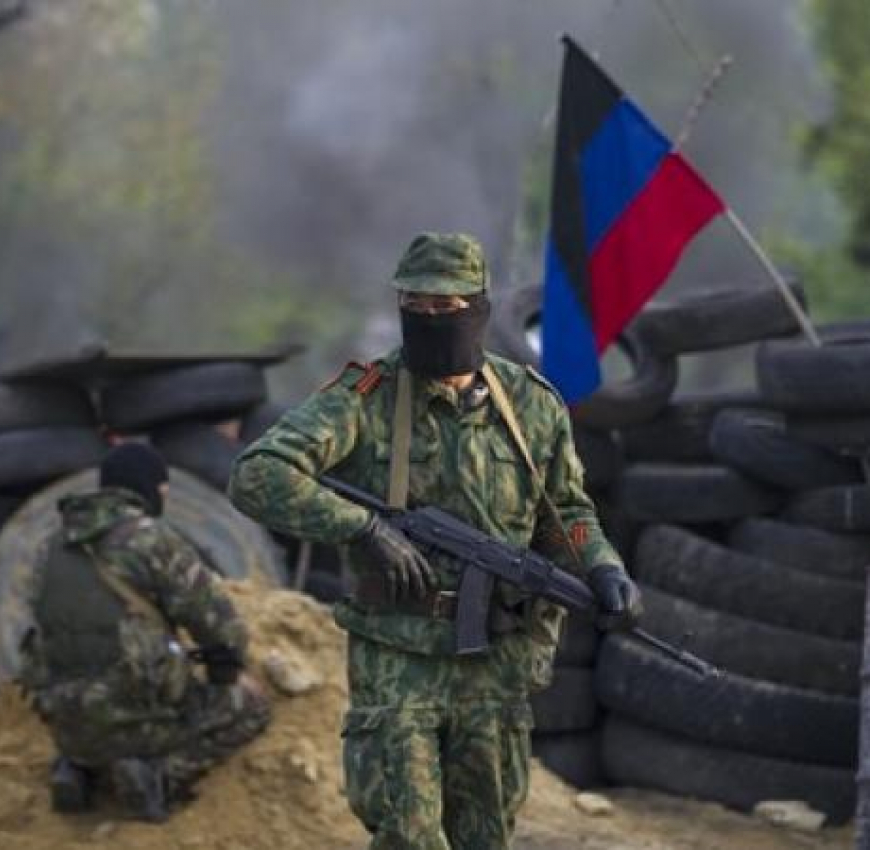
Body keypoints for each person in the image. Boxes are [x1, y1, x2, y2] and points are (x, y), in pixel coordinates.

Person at [228, 232, 641, 849]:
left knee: (485, 833)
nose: (428, 318)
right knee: (410, 835)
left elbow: (566, 511)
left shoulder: (531, 405)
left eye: (444, 308)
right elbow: (257, 474)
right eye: (415, 306)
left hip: (494, 663)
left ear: (476, 306)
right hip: (400, 658)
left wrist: (603, 567)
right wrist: (362, 528)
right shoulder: (364, 398)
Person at [20, 442, 270, 822]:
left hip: (67, 722)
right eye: (163, 492)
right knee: (252, 707)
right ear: (150, 489)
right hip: (140, 721)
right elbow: (219, 627)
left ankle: (78, 769)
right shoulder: (150, 539)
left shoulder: (48, 548)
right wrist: (226, 676)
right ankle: (158, 776)